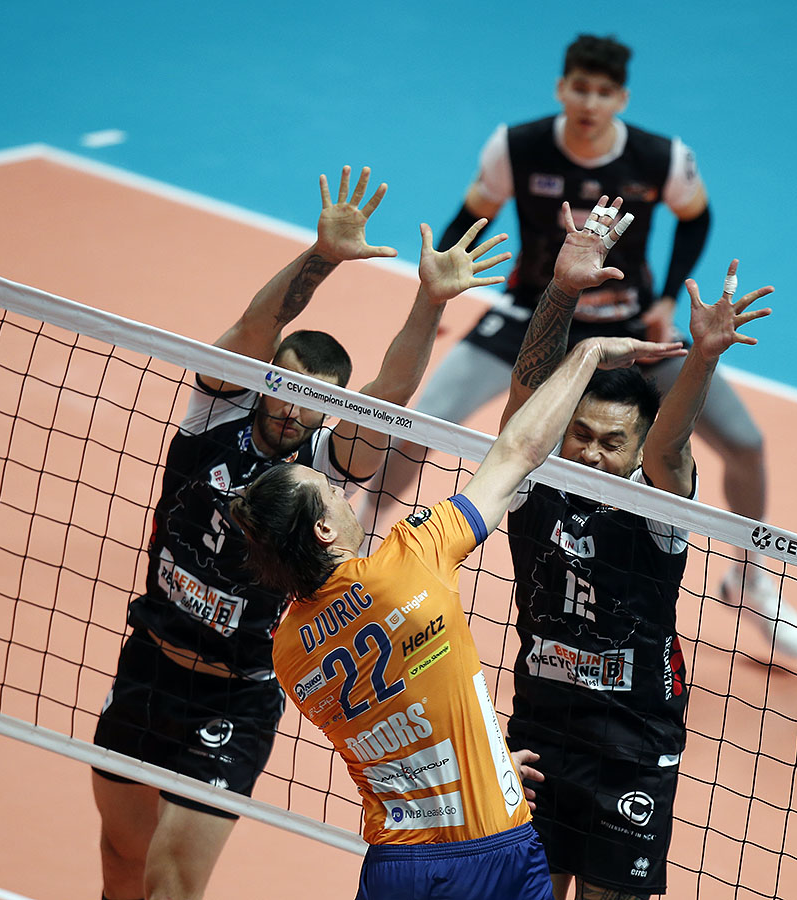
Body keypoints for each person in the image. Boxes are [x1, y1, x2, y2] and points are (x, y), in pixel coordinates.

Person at [229, 202, 684, 900]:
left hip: (397, 863)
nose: (341, 491)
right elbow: (518, 446)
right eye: (327, 492)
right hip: (494, 851)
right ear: (322, 531)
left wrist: (486, 766)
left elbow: (412, 716)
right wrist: (587, 351)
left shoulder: (288, 652)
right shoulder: (409, 557)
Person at [90, 166, 511, 900]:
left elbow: (390, 392)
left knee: (170, 884)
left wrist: (429, 299)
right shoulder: (216, 413)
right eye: (283, 389)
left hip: (235, 696)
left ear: (331, 407)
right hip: (147, 663)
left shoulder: (326, 466)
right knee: (121, 860)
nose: (292, 410)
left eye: (313, 401)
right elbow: (255, 329)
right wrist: (321, 256)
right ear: (265, 380)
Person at [368, 33, 797, 661]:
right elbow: (472, 214)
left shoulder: (662, 158)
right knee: (419, 422)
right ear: (561, 88)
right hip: (534, 316)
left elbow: (697, 217)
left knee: (745, 443)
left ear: (621, 99)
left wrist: (665, 300)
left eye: (604, 93)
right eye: (580, 88)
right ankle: (365, 538)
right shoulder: (516, 147)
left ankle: (751, 578)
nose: (589, 103)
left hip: (632, 325)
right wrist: (440, 290)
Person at [497, 197, 774, 899]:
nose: (591, 453)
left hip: (631, 747)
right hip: (539, 732)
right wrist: (561, 290)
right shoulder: (531, 484)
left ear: (636, 450)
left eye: (612, 442)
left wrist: (702, 358)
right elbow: (526, 398)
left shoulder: (657, 507)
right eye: (581, 434)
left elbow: (671, 445)